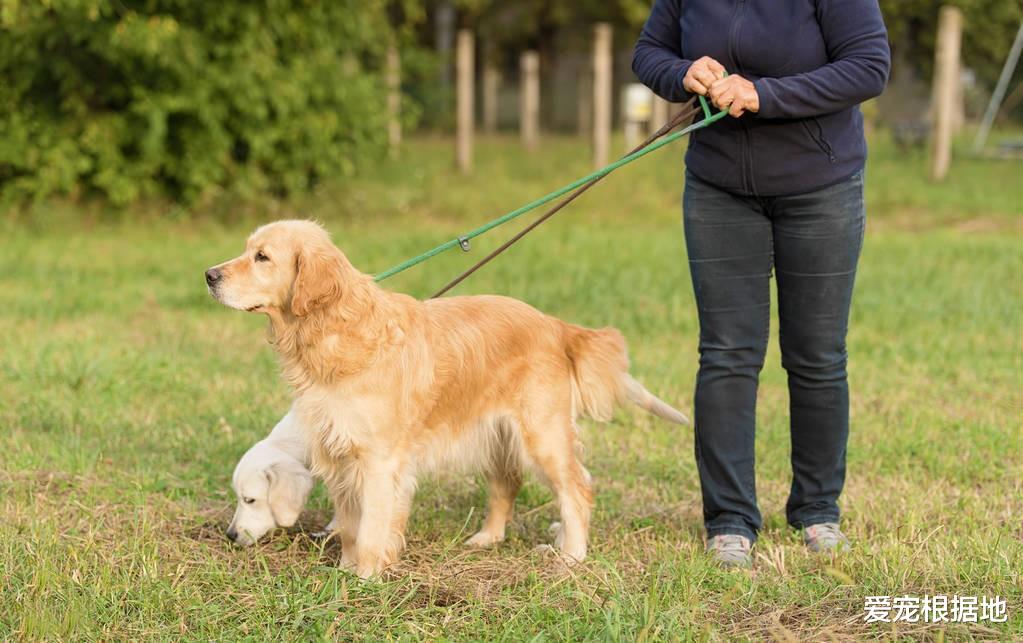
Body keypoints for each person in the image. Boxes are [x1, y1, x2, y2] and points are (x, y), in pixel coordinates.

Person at [632, 1, 891, 568]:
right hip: (718, 187)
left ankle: (818, 510)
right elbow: (648, 53)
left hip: (821, 185)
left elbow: (870, 65)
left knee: (817, 355)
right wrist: (683, 73)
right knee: (726, 354)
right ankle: (729, 520)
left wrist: (763, 95)